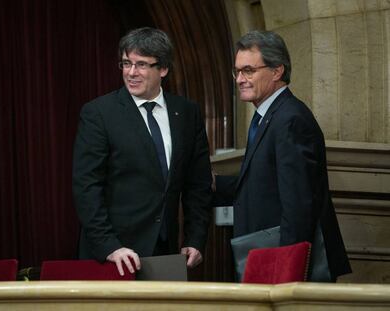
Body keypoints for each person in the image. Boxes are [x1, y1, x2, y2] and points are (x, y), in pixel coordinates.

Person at [73, 27, 212, 276]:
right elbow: (87, 186)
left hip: (166, 253)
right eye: (126, 63)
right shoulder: (99, 113)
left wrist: (196, 239)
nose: (131, 73)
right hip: (113, 255)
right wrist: (110, 246)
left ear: (164, 69)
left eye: (141, 65)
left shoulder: (187, 113)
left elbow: (198, 184)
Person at [214, 30, 351, 281]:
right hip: (266, 257)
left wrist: (286, 272)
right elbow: (264, 184)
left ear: (277, 71)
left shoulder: (290, 119)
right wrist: (212, 184)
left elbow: (298, 204)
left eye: (248, 71)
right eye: (237, 71)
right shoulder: (269, 116)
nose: (239, 79)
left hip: (283, 266)